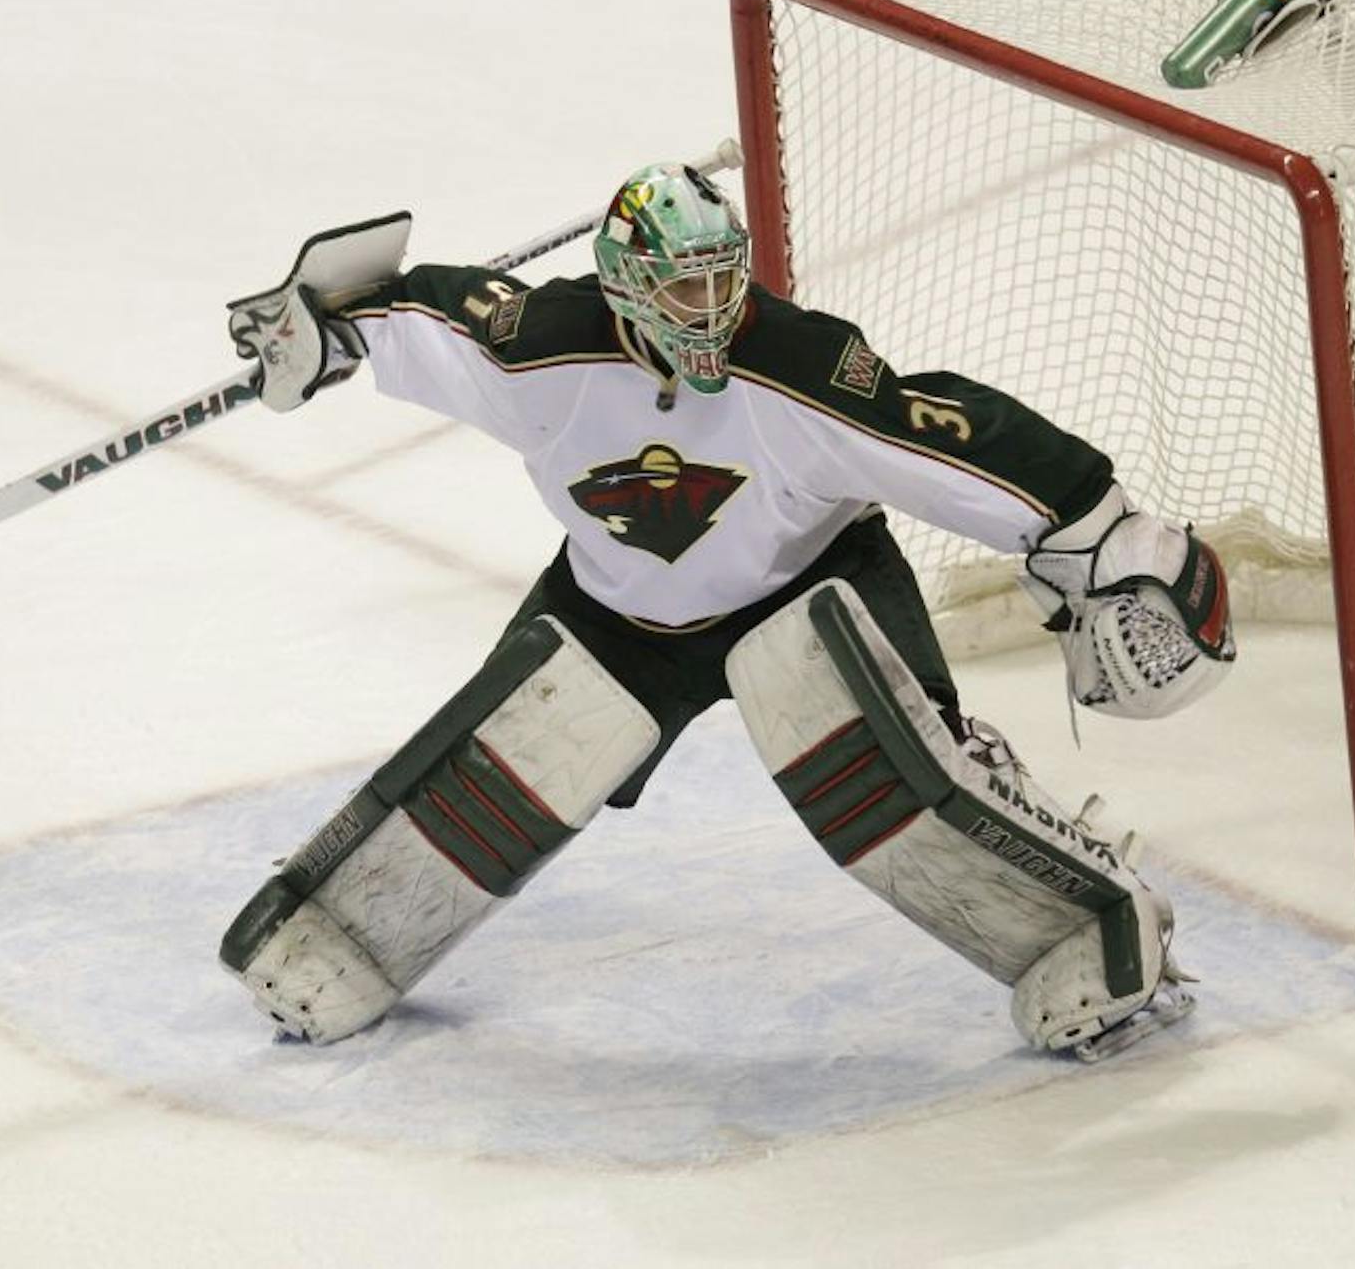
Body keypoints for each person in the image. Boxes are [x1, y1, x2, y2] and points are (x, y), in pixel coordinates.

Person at [216, 162, 1235, 1061]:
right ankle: (346, 927)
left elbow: (946, 431)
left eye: (720, 275)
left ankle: (1104, 916)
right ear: (623, 287)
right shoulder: (544, 351)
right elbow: (439, 311)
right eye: (680, 282)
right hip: (619, 612)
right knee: (500, 771)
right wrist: (330, 328)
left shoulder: (796, 366)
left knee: (904, 789)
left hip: (807, 590)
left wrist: (1100, 530)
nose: (708, 305)